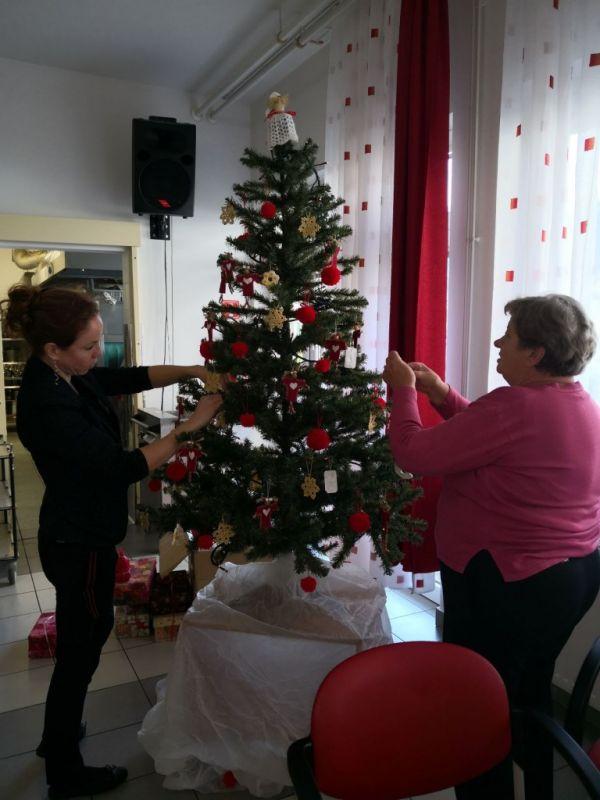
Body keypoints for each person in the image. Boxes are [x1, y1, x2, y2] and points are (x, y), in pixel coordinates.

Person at [3, 284, 222, 799]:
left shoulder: (65, 374)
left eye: (98, 341)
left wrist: (192, 370)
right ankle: (65, 772)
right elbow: (122, 467)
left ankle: (55, 736)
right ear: (53, 349)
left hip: (83, 533)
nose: (98, 354)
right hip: (76, 542)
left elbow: (128, 377)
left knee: (84, 637)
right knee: (80, 649)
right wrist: (191, 427)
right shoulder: (47, 402)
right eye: (89, 346)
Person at [383, 294, 600, 800]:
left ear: (537, 354)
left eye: (511, 336)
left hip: (510, 583)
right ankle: (538, 783)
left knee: (476, 701)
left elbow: (412, 453)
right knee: (527, 690)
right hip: (570, 576)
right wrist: (441, 394)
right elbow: (486, 436)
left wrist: (403, 393)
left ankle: (486, 789)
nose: (499, 343)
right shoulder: (578, 402)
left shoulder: (515, 406)